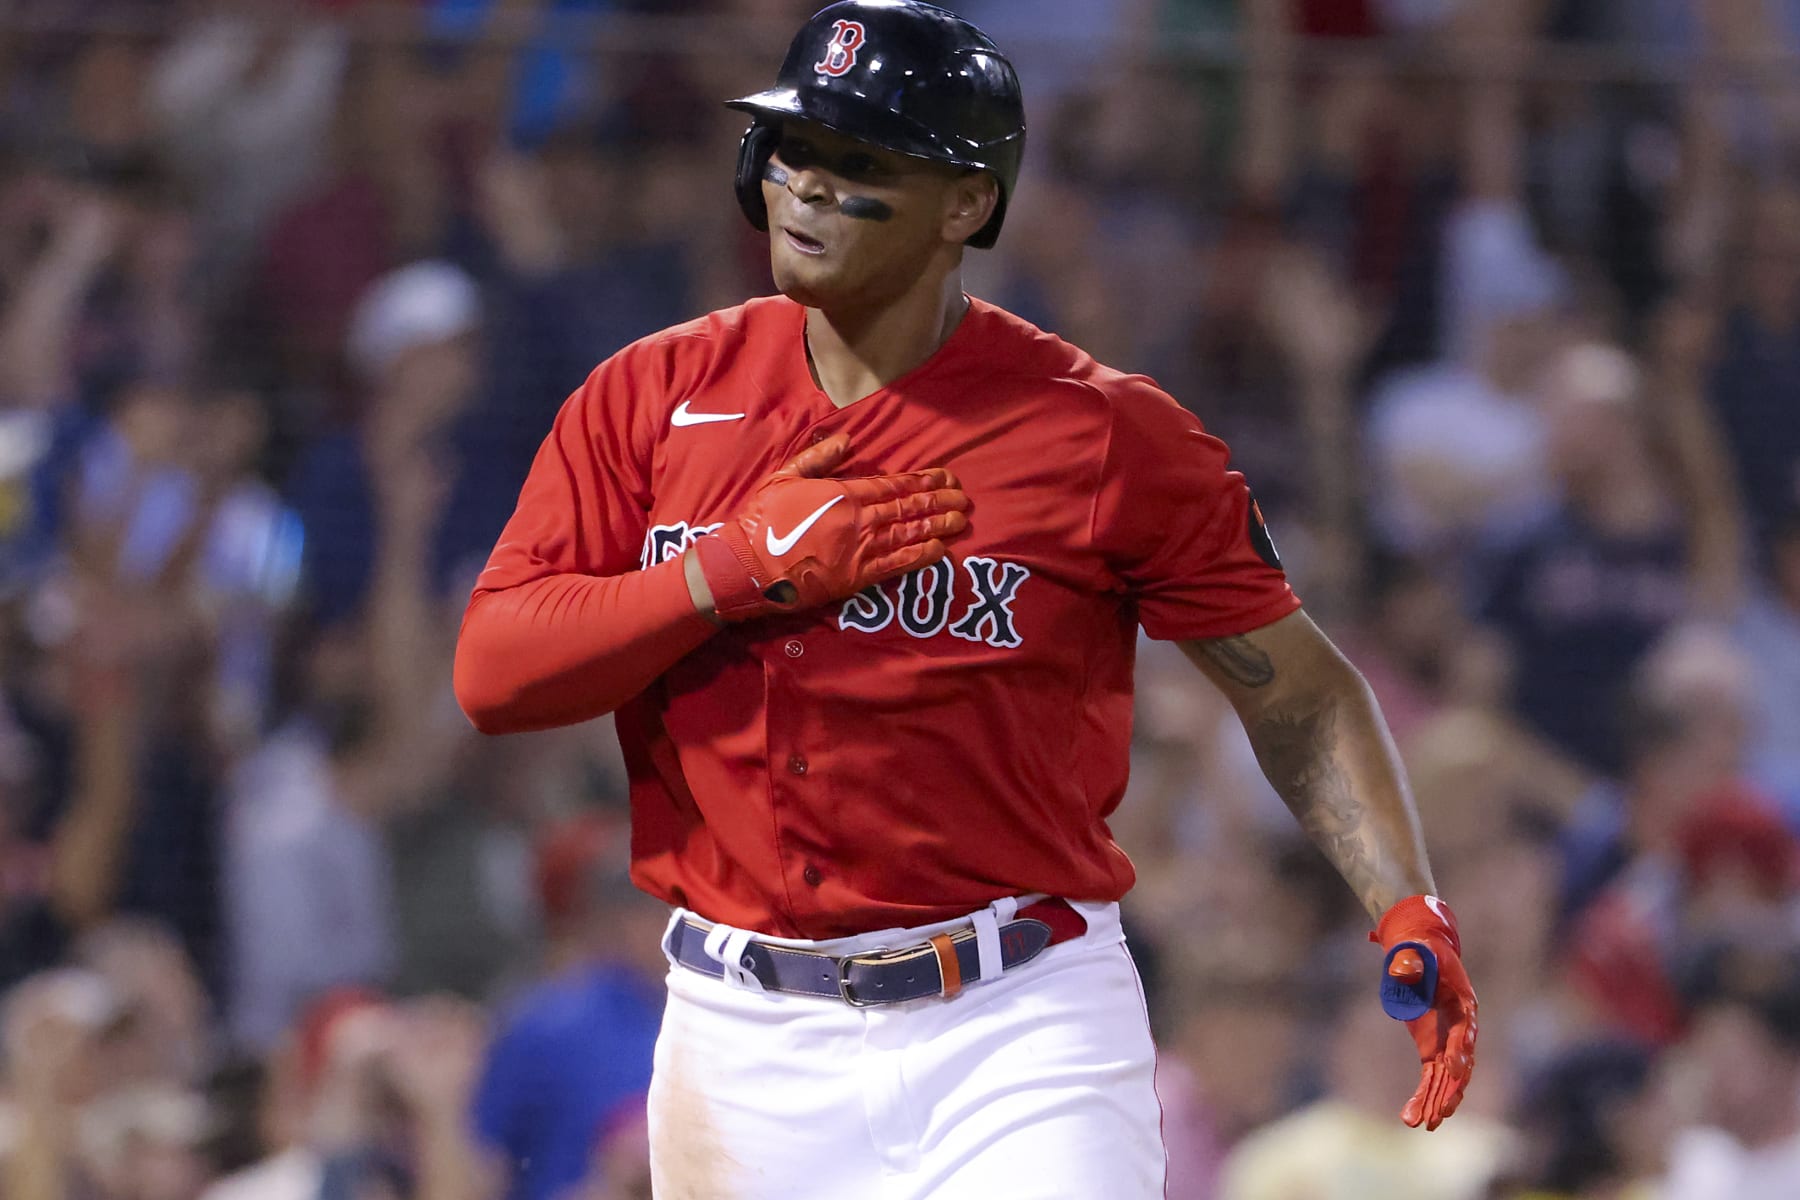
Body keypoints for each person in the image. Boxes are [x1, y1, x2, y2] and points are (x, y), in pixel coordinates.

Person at [452, 4, 1478, 1196]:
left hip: (1017, 1020)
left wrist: (1407, 898)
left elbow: (1297, 695)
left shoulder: (1102, 433)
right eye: (794, 148)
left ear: (966, 203)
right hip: (743, 1038)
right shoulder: (650, 395)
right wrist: (719, 576)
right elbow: (493, 672)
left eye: (861, 162)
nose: (807, 188)